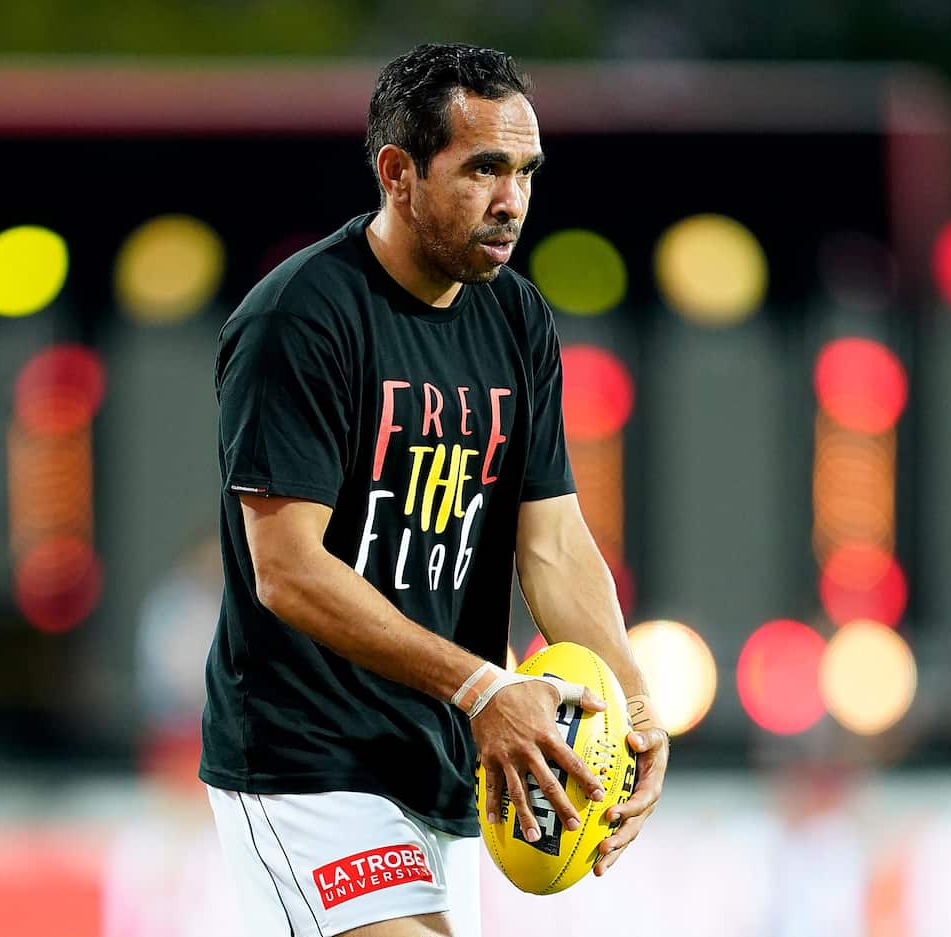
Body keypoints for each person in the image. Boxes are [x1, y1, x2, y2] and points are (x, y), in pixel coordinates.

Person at [200, 42, 669, 937]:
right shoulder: (300, 318)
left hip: (448, 766)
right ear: (398, 172)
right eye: (483, 169)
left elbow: (555, 545)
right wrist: (483, 689)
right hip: (308, 764)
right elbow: (287, 571)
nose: (513, 202)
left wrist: (637, 705)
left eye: (526, 172)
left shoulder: (515, 316)